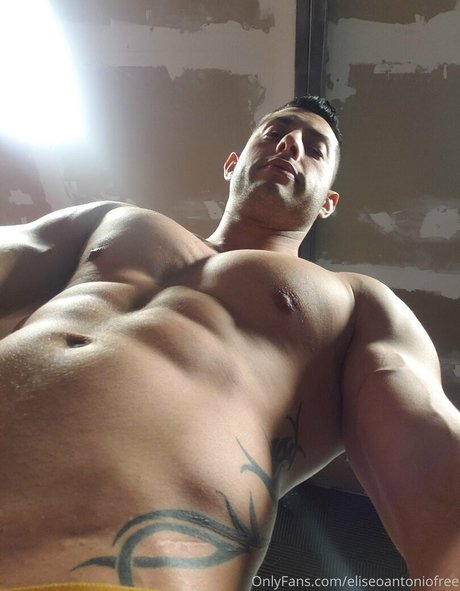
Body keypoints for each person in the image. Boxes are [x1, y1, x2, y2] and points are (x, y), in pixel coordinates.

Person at [0, 96, 458, 591]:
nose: (289, 144)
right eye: (275, 132)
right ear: (232, 164)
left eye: (314, 148)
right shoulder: (111, 220)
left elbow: (433, 460)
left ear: (328, 202)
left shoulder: (356, 301)